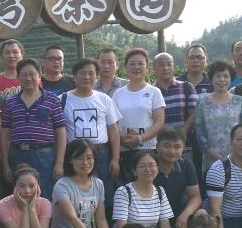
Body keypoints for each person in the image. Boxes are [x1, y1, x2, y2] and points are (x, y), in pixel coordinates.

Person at [0, 58, 66, 199]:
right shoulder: (10, 102)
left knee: (44, 195)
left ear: (40, 75)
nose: (28, 78)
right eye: (24, 75)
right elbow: (5, 134)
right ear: (18, 77)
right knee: (19, 195)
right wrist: (5, 163)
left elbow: (60, 132)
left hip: (44, 155)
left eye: (32, 74)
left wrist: (59, 163)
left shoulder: (52, 100)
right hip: (17, 155)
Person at [61, 58, 121, 193]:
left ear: (96, 76)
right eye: (82, 73)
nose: (87, 77)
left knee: (103, 192)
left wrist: (115, 159)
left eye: (91, 73)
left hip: (101, 154)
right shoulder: (62, 100)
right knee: (75, 191)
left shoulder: (104, 99)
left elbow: (113, 130)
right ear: (74, 77)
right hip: (74, 154)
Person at [112, 150, 174, 228]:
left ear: (157, 169)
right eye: (142, 166)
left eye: (152, 165)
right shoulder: (124, 191)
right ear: (134, 171)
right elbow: (122, 226)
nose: (148, 169)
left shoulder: (160, 191)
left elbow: (165, 224)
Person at [113, 48, 165, 178]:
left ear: (147, 68)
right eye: (132, 64)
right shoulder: (118, 93)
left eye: (141, 64)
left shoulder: (154, 92)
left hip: (147, 148)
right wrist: (121, 137)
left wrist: (140, 138)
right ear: (126, 68)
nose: (136, 67)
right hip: (124, 149)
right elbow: (113, 123)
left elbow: (159, 121)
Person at [194, 58, 242, 173]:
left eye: (226, 76)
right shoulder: (202, 102)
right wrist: (211, 151)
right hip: (210, 158)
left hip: (236, 156)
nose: (222, 80)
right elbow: (199, 130)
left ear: (231, 78)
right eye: (218, 76)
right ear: (212, 78)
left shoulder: (240, 101)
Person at [154, 128, 201, 228]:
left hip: (179, 216)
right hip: (153, 218)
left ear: (183, 148)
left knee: (202, 214)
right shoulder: (149, 165)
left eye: (177, 147)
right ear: (157, 146)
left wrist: (187, 213)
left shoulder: (186, 165)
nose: (172, 151)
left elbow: (196, 197)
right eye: (167, 146)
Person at [152, 52, 197, 157]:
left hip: (184, 148)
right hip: (158, 149)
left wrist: (180, 136)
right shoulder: (149, 91)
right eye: (161, 65)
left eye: (169, 64)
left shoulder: (186, 87)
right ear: (154, 68)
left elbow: (194, 114)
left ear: (173, 66)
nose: (165, 68)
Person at [0, 39, 25, 105]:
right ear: (1, 57)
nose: (11, 56)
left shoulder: (32, 79)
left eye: (15, 52)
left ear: (22, 55)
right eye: (7, 53)